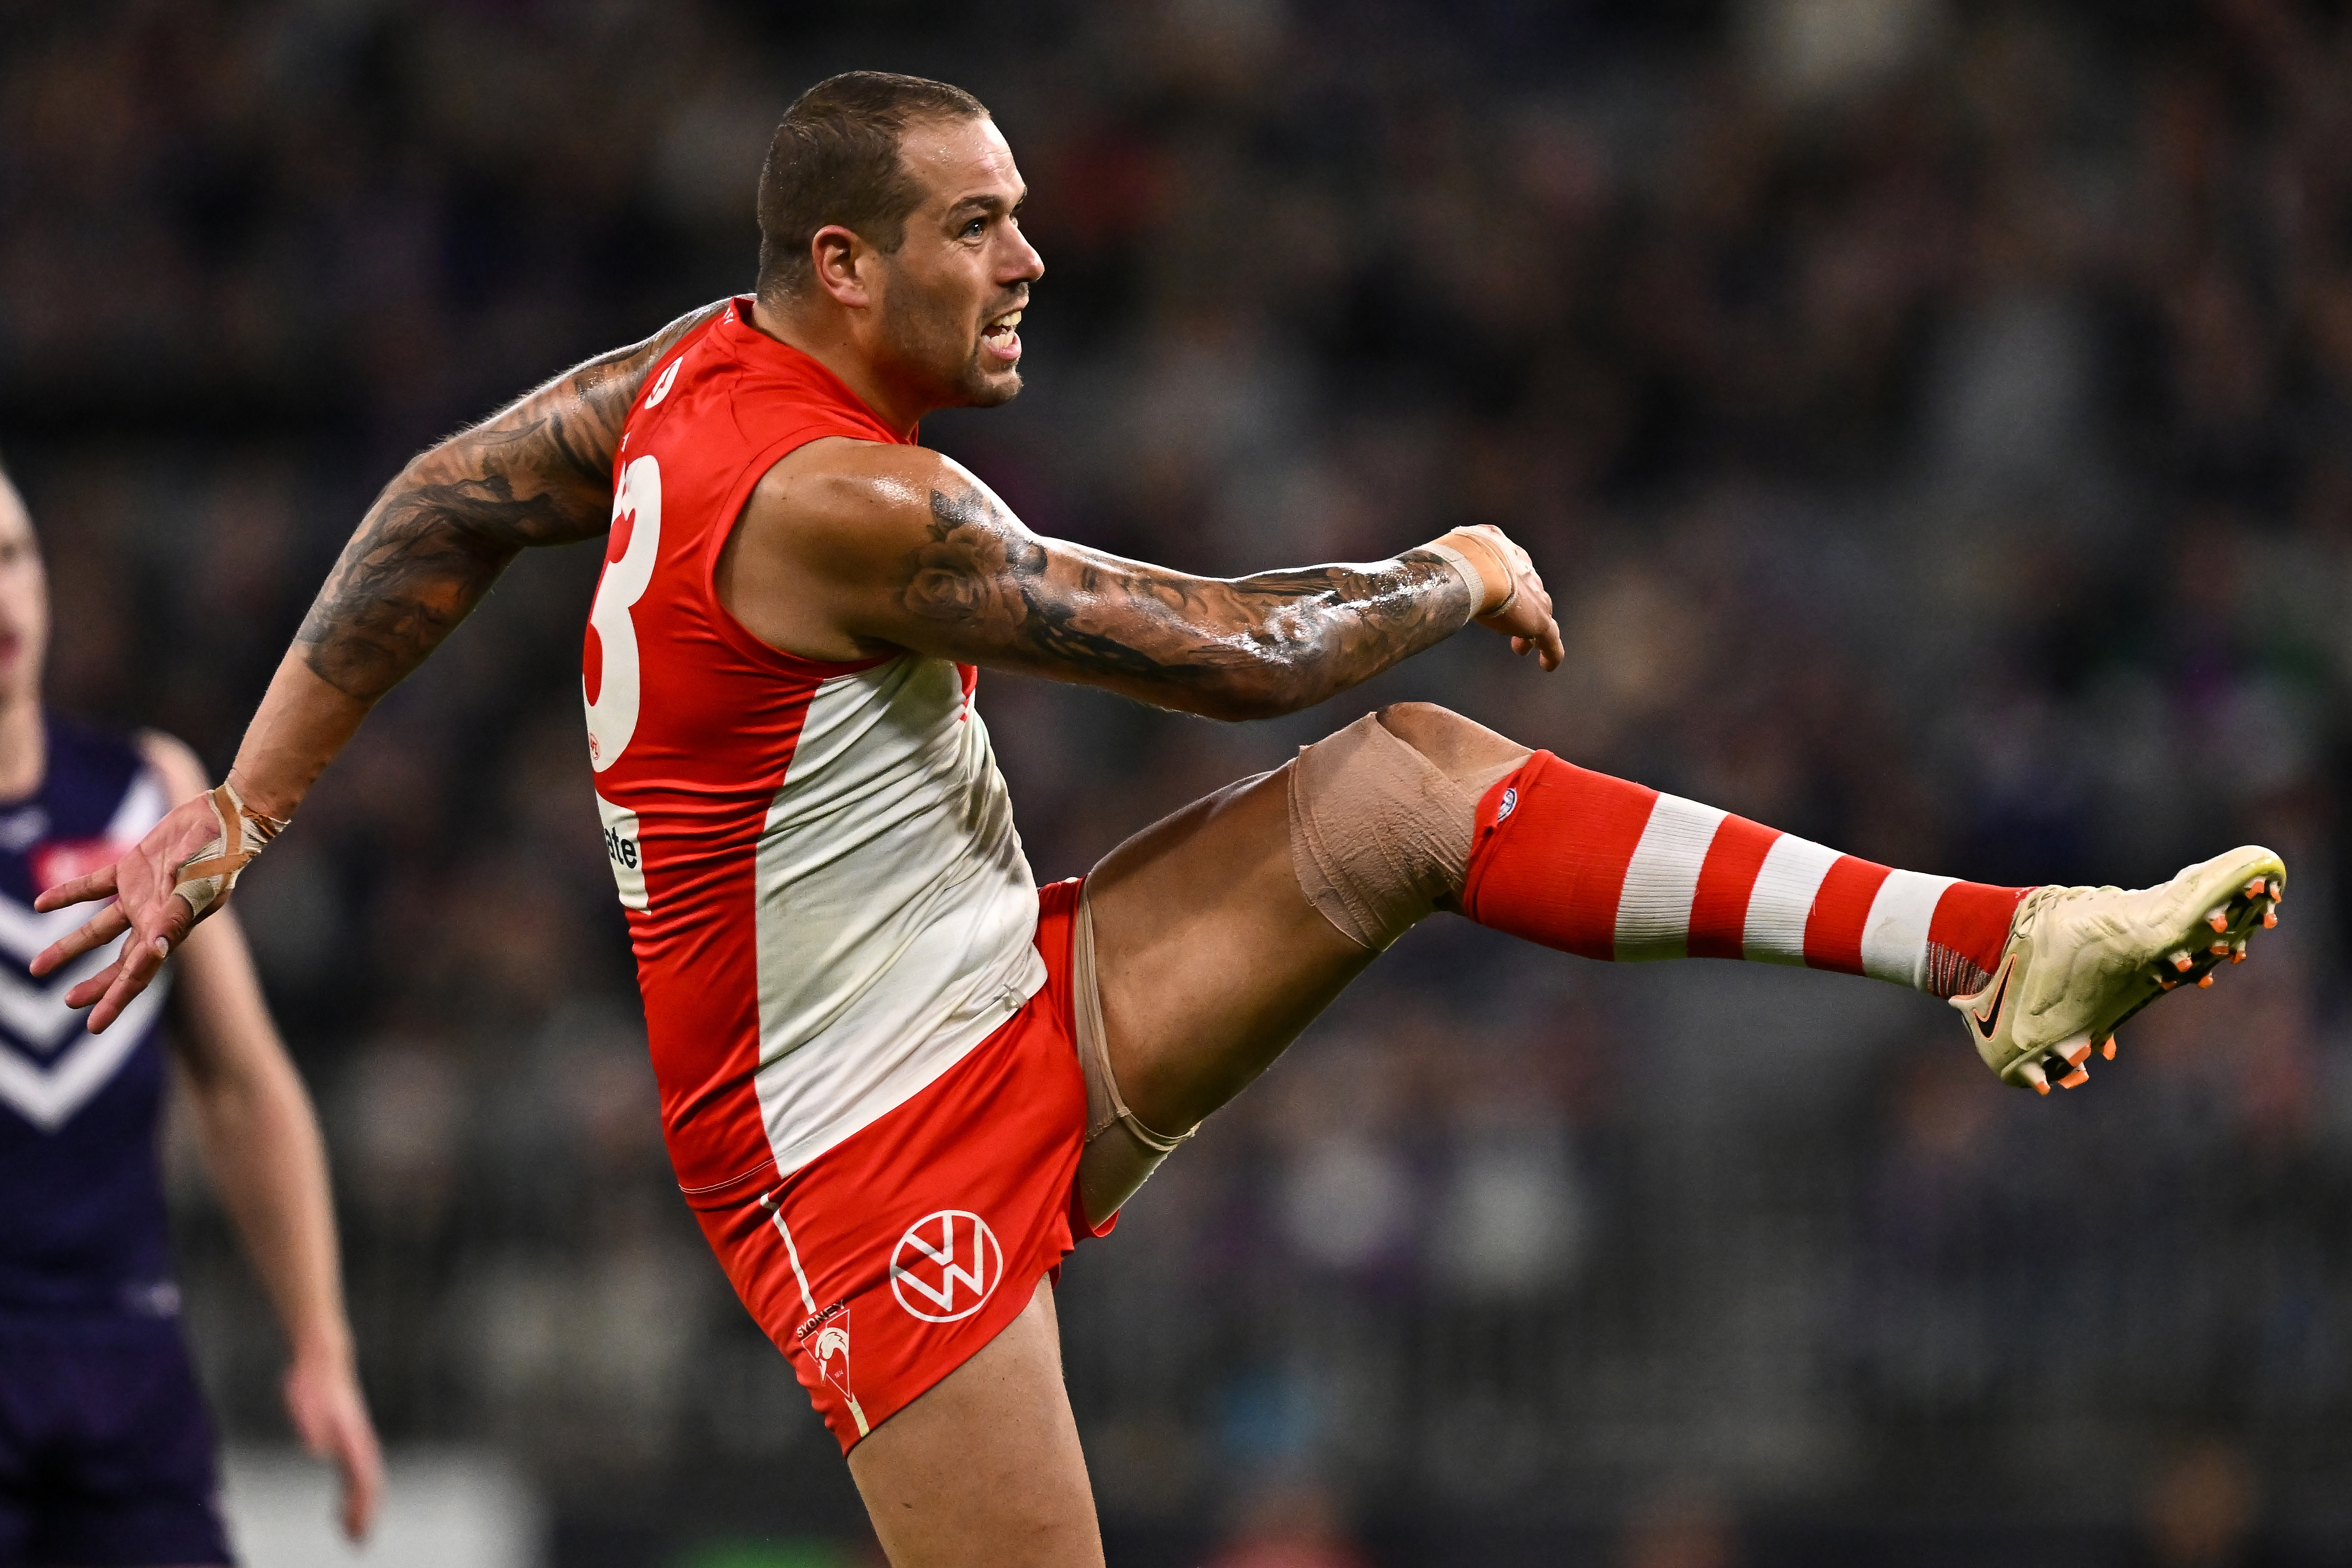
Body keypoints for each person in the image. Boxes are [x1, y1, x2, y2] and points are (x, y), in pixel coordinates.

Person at [31, 73, 2281, 1568]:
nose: (1029, 262)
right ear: (844, 265)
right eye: (978, 229)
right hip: (851, 1156)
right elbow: (1227, 646)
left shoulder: (679, 376)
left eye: (1022, 221)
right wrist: (1450, 569)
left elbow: (441, 499)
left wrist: (245, 802)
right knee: (1380, 720)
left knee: (1414, 797)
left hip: (1000, 990)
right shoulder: (840, 502)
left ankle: (1993, 942)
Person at [0, 462, 381, 1564]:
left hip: (126, 1356)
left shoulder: (141, 793)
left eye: (16, 558)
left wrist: (321, 1347)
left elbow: (242, 1087)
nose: (3, 595)